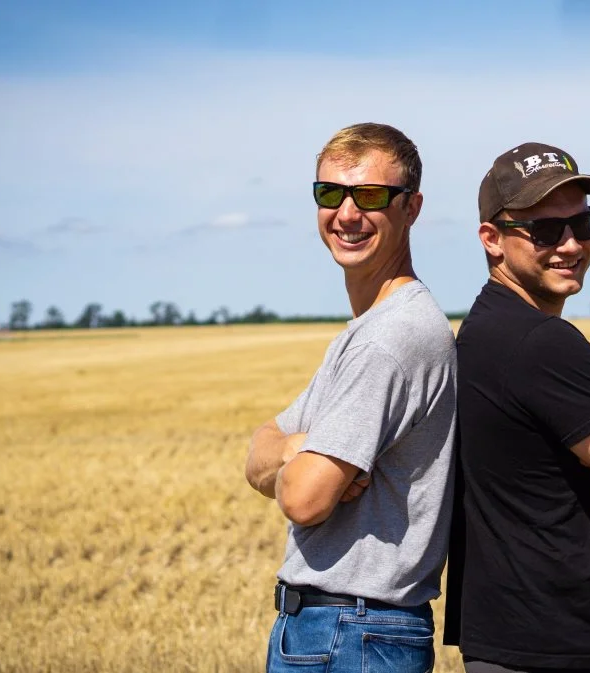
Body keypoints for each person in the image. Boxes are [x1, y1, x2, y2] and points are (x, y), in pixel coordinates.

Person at [443, 142, 590, 672]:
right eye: (546, 231)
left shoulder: (481, 329)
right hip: (558, 644)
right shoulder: (544, 343)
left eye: (584, 224)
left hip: (503, 636)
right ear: (492, 239)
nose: (571, 245)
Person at [245, 122, 457, 673]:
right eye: (328, 193)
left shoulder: (389, 340)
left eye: (369, 196)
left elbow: (304, 500)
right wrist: (301, 447)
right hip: (349, 630)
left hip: (354, 633)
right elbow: (258, 453)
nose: (345, 214)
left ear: (411, 208)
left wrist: (298, 462)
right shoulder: (367, 330)